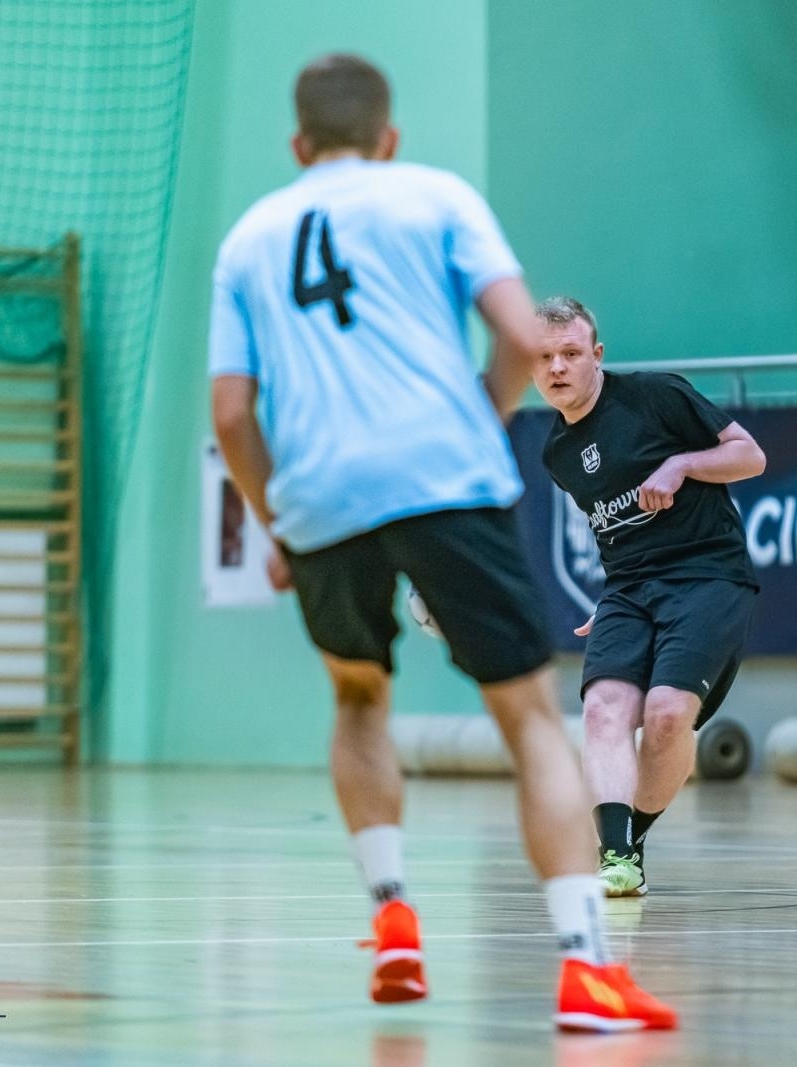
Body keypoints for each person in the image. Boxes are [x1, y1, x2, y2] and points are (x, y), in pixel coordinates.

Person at [208, 53, 675, 1030]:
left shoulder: (248, 239)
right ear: (389, 137)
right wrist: (475, 420)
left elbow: (233, 414)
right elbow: (521, 336)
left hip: (320, 494)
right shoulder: (436, 196)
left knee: (357, 698)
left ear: (297, 144)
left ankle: (392, 917)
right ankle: (586, 968)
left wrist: (277, 519)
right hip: (442, 477)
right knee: (528, 718)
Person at [531, 297, 764, 897]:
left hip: (707, 576)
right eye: (544, 357)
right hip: (628, 589)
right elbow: (614, 533)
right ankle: (617, 855)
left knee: (665, 716)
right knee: (603, 710)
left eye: (570, 353)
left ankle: (630, 838)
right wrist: (610, 603)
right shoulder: (557, 453)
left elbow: (750, 456)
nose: (557, 367)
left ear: (596, 355)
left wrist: (681, 465)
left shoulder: (656, 395)